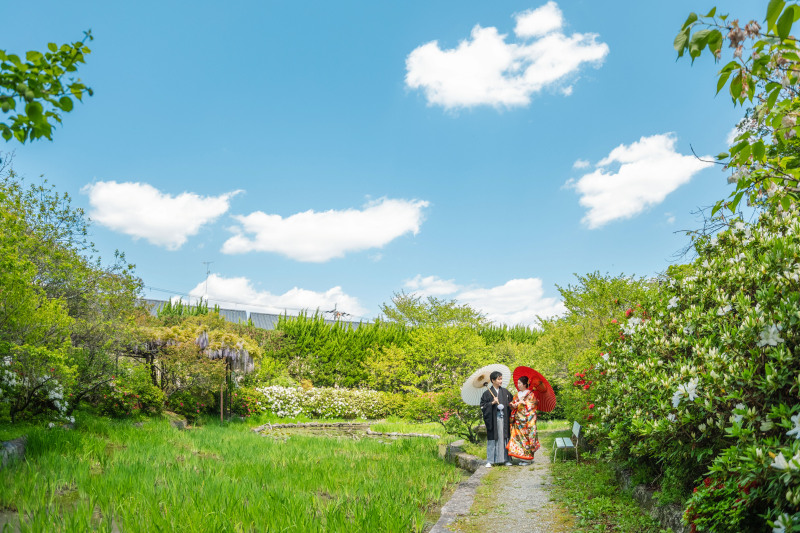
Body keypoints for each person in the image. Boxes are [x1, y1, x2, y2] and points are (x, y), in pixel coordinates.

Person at [480, 371, 514, 467]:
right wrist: (492, 403)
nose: (501, 381)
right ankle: (490, 460)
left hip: (504, 418)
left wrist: (511, 405)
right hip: (493, 419)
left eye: (501, 378)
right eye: (499, 379)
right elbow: (482, 407)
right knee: (493, 438)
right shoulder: (487, 394)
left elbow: (511, 402)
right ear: (492, 380)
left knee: (504, 437)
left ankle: (506, 459)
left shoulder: (505, 392)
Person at [507, 376, 542, 465]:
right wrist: (515, 404)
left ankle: (528, 458)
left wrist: (525, 403)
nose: (518, 385)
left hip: (526, 420)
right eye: (518, 383)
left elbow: (533, 405)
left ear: (525, 384)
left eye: (520, 383)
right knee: (519, 438)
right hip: (518, 420)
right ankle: (522, 457)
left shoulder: (530, 394)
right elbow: (512, 404)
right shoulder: (517, 394)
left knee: (526, 438)